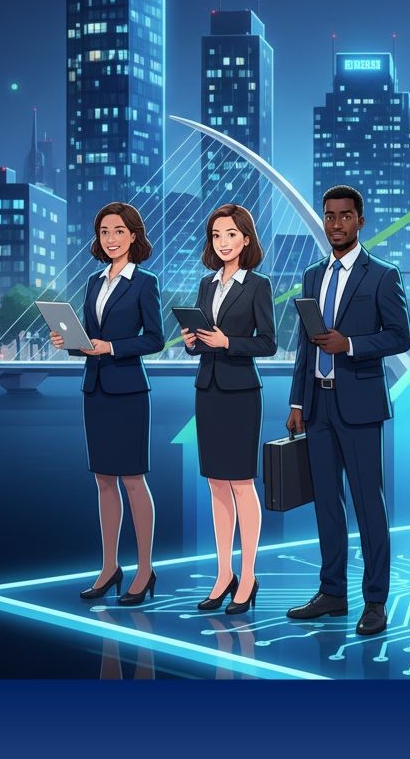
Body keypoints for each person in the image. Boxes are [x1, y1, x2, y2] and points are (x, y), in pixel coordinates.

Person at [284, 186, 410, 637]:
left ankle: (375, 600)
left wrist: (350, 345)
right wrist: (297, 401)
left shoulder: (382, 275)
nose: (335, 224)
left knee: (368, 505)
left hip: (359, 405)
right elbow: (305, 342)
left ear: (360, 221)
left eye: (344, 216)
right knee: (326, 505)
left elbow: (400, 337)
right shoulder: (313, 275)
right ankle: (332, 593)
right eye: (329, 216)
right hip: (317, 404)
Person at [49, 202, 163, 605]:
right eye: (104, 233)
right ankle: (110, 566)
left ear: (133, 235)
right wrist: (72, 344)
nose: (111, 239)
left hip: (129, 392)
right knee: (102, 480)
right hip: (94, 390)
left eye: (118, 231)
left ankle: (145, 569)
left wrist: (112, 346)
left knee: (133, 478)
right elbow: (89, 342)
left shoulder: (144, 282)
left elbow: (155, 339)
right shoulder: (94, 283)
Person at [181, 204, 276, 615]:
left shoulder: (258, 285)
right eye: (216, 235)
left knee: (241, 483)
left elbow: (268, 343)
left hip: (240, 392)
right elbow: (203, 338)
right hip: (208, 389)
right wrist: (193, 343)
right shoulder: (206, 284)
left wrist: (229, 343)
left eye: (231, 234)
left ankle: (249, 574)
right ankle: (224, 574)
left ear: (246, 239)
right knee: (215, 484)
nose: (223, 242)